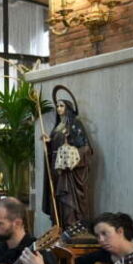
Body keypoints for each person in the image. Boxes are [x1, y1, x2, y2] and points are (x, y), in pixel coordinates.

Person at [43, 88, 93, 228]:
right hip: (56, 167)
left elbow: (86, 148)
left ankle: (72, 227)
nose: (58, 108)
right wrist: (48, 143)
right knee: (58, 199)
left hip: (69, 171)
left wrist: (71, 156)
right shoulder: (58, 126)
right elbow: (54, 148)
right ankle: (60, 226)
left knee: (68, 199)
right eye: (57, 106)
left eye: (61, 106)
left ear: (68, 108)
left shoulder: (75, 124)